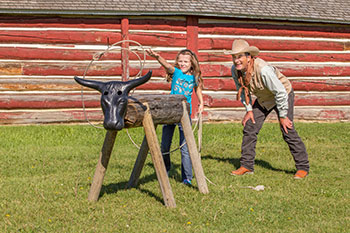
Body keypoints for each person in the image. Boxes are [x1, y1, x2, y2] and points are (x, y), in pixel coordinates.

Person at [227, 39, 309, 179]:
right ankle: (247, 166)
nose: (236, 61)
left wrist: (283, 116)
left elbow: (280, 93)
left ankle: (303, 168)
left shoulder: (263, 69)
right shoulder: (236, 71)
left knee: (287, 129)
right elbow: (242, 90)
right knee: (250, 127)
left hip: (283, 94)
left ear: (249, 57)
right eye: (234, 57)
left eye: (239, 56)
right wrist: (249, 110)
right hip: (265, 98)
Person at [146, 48, 204, 185]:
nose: (183, 64)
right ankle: (165, 169)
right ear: (178, 62)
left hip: (184, 114)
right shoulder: (176, 72)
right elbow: (166, 65)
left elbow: (198, 88)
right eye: (181, 61)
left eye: (186, 62)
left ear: (192, 63)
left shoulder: (194, 77)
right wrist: (157, 56)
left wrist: (201, 103)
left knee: (185, 147)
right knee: (165, 145)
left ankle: (187, 177)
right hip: (170, 112)